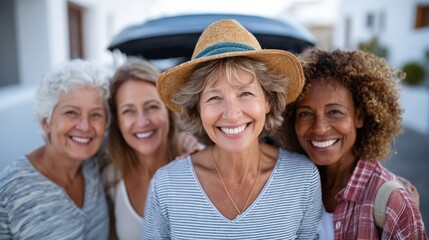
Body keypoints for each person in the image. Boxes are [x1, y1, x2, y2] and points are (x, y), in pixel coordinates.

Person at [141, 19, 322, 239]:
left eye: (245, 93)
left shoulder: (302, 178)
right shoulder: (166, 185)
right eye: (214, 97)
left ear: (268, 101)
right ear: (197, 109)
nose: (232, 113)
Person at [278, 48, 427, 239]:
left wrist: (402, 204)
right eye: (305, 113)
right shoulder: (291, 185)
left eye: (334, 112)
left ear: (359, 116)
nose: (320, 128)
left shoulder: (392, 203)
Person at [0, 60, 110, 239]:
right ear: (46, 122)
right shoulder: (9, 190)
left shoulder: (96, 166)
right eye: (71, 113)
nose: (84, 126)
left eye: (95, 114)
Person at [103, 57, 203, 240]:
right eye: (128, 110)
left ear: (168, 110)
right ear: (117, 120)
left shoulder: (199, 162)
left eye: (152, 107)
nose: (142, 122)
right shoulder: (110, 179)